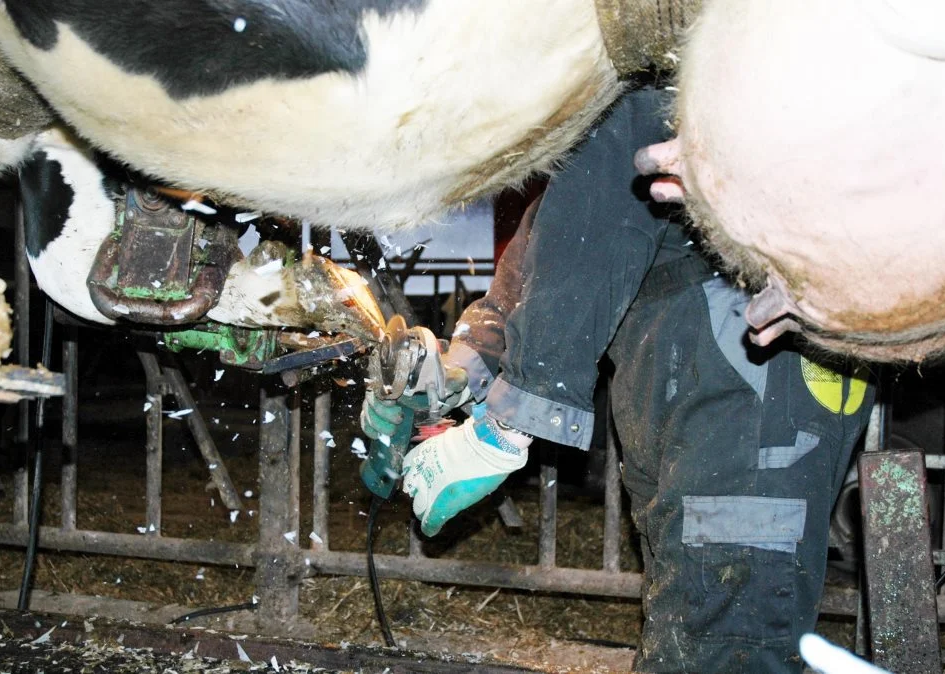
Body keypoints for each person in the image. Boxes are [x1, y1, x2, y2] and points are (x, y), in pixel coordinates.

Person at [362, 86, 873, 673]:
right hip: (690, 350)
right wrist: (467, 362)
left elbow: (606, 190)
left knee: (726, 635)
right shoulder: (597, 93)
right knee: (696, 610)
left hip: (750, 356)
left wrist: (503, 427)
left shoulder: (632, 54)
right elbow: (562, 231)